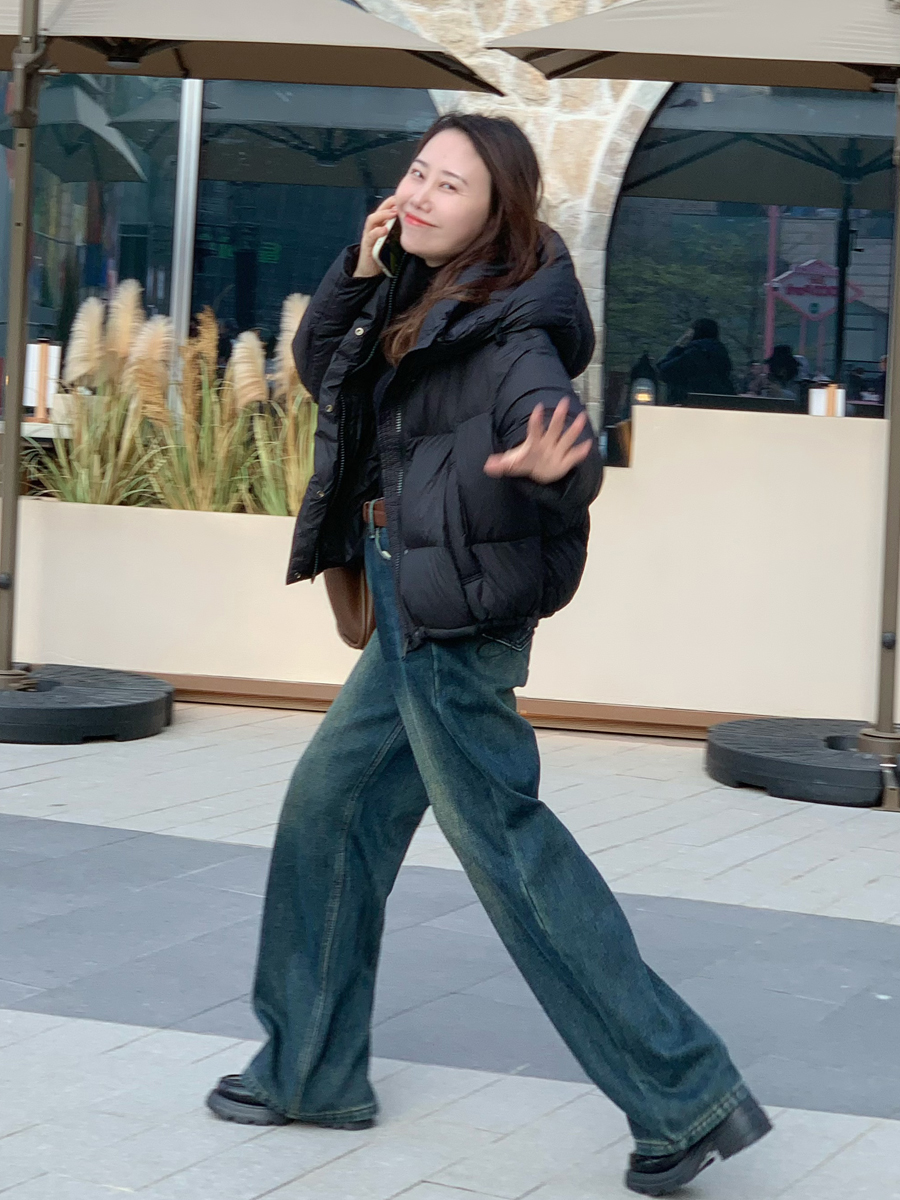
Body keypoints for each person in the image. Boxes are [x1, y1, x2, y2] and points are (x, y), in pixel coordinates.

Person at [205, 113, 771, 1196]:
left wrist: (561, 465)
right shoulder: (416, 292)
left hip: (455, 615)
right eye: (417, 173)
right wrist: (358, 269)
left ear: (494, 214)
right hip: (411, 596)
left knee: (509, 851)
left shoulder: (514, 327)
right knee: (329, 813)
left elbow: (550, 419)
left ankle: (685, 1095)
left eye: (448, 185)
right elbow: (327, 373)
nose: (420, 194)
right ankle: (310, 1071)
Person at [657, 319, 735, 405]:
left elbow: (664, 370)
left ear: (694, 332)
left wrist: (678, 346)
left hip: (691, 401)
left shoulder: (695, 352)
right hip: (721, 400)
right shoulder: (721, 352)